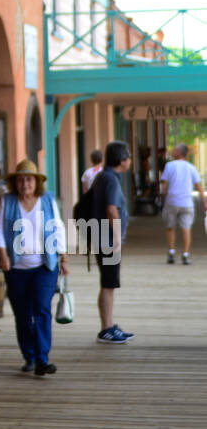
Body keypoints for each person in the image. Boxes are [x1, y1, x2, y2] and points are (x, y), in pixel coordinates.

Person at [0, 158, 68, 376]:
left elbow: (58, 228)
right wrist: (3, 254)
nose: (25, 183)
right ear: (15, 183)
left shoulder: (47, 200)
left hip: (44, 265)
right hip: (16, 268)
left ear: (36, 182)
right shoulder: (7, 201)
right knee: (23, 314)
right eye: (21, 180)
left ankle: (43, 359)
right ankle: (30, 357)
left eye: (29, 179)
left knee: (42, 308)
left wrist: (64, 258)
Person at [90, 141, 134, 342]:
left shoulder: (103, 176)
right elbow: (111, 209)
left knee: (109, 283)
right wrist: (117, 239)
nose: (130, 161)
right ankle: (106, 328)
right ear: (122, 160)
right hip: (107, 240)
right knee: (108, 284)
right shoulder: (111, 180)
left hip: (101, 237)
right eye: (128, 157)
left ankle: (109, 325)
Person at [160, 143, 207, 265]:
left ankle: (171, 252)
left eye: (174, 149)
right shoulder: (191, 167)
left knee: (170, 227)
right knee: (186, 228)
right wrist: (204, 201)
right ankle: (185, 254)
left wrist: (164, 198)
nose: (172, 151)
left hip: (172, 201)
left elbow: (164, 186)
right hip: (187, 203)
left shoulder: (169, 166)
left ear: (179, 152)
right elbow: (199, 186)